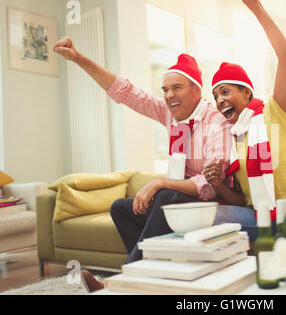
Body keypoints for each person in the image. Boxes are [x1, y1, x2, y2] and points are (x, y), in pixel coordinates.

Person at [53, 40, 232, 292]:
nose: (169, 95)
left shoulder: (216, 122)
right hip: (178, 200)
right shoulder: (171, 114)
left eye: (176, 88)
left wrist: (160, 182)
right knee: (122, 208)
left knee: (165, 194)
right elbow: (126, 92)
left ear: (196, 90)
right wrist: (79, 59)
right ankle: (150, 279)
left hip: (209, 205)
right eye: (165, 89)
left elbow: (211, 185)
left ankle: (122, 283)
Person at [204, 0, 286, 237]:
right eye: (216, 96)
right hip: (257, 212)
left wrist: (254, 6)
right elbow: (240, 199)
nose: (219, 101)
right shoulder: (231, 139)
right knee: (209, 220)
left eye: (225, 92)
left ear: (246, 92)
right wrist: (218, 185)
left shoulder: (274, 111)